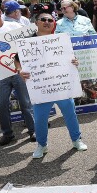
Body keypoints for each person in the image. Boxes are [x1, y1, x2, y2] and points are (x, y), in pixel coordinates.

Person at [14, 12, 88, 158]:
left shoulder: (61, 39)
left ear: (54, 23)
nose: (47, 22)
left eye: (50, 20)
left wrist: (75, 62)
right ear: (36, 22)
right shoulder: (27, 42)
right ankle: (42, 145)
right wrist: (19, 70)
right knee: (40, 118)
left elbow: (71, 59)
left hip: (61, 85)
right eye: (43, 20)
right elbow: (17, 61)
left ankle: (76, 140)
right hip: (41, 88)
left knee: (70, 114)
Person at [0, 2, 36, 145]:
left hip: (17, 70)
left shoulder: (14, 27)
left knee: (25, 103)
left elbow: (28, 43)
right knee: (2, 104)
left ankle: (33, 130)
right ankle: (7, 133)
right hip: (1, 71)